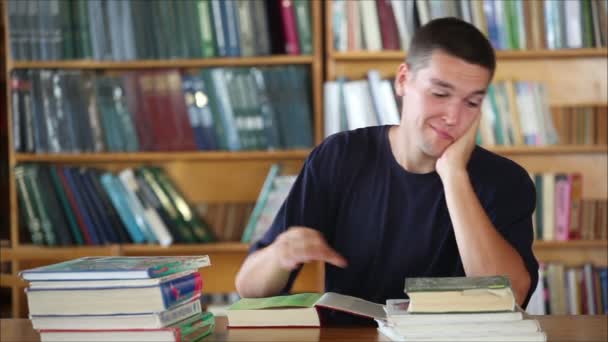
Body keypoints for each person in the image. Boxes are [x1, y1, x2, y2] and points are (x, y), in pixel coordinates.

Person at [235, 17, 538, 323]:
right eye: (440, 93)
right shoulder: (339, 157)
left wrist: (454, 175)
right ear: (403, 80)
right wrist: (278, 255)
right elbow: (249, 289)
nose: (453, 116)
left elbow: (512, 297)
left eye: (471, 102)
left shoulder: (506, 181)